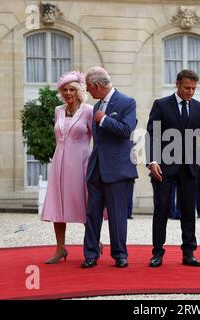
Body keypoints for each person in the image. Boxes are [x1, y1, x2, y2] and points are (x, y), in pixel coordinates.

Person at [146, 69, 200, 267]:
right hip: (164, 167)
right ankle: (157, 252)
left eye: (193, 89)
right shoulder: (161, 105)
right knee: (162, 209)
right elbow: (151, 135)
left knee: (188, 210)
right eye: (187, 88)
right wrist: (152, 161)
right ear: (177, 84)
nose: (190, 92)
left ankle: (188, 253)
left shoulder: (199, 107)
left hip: (189, 167)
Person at [81, 66, 138, 268]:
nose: (88, 92)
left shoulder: (127, 102)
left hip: (118, 170)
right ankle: (90, 254)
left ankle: (120, 255)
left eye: (89, 88)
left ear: (97, 85)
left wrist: (104, 119)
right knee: (92, 214)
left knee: (117, 215)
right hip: (96, 168)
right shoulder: (96, 106)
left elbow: (126, 130)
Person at [40, 71, 94, 264]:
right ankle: (60, 248)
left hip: (81, 163)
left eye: (72, 89)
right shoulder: (58, 110)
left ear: (79, 91)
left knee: (85, 203)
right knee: (58, 204)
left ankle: (93, 242)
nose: (68, 93)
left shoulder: (88, 110)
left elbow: (96, 138)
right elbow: (59, 136)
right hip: (60, 162)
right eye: (65, 90)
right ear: (61, 92)